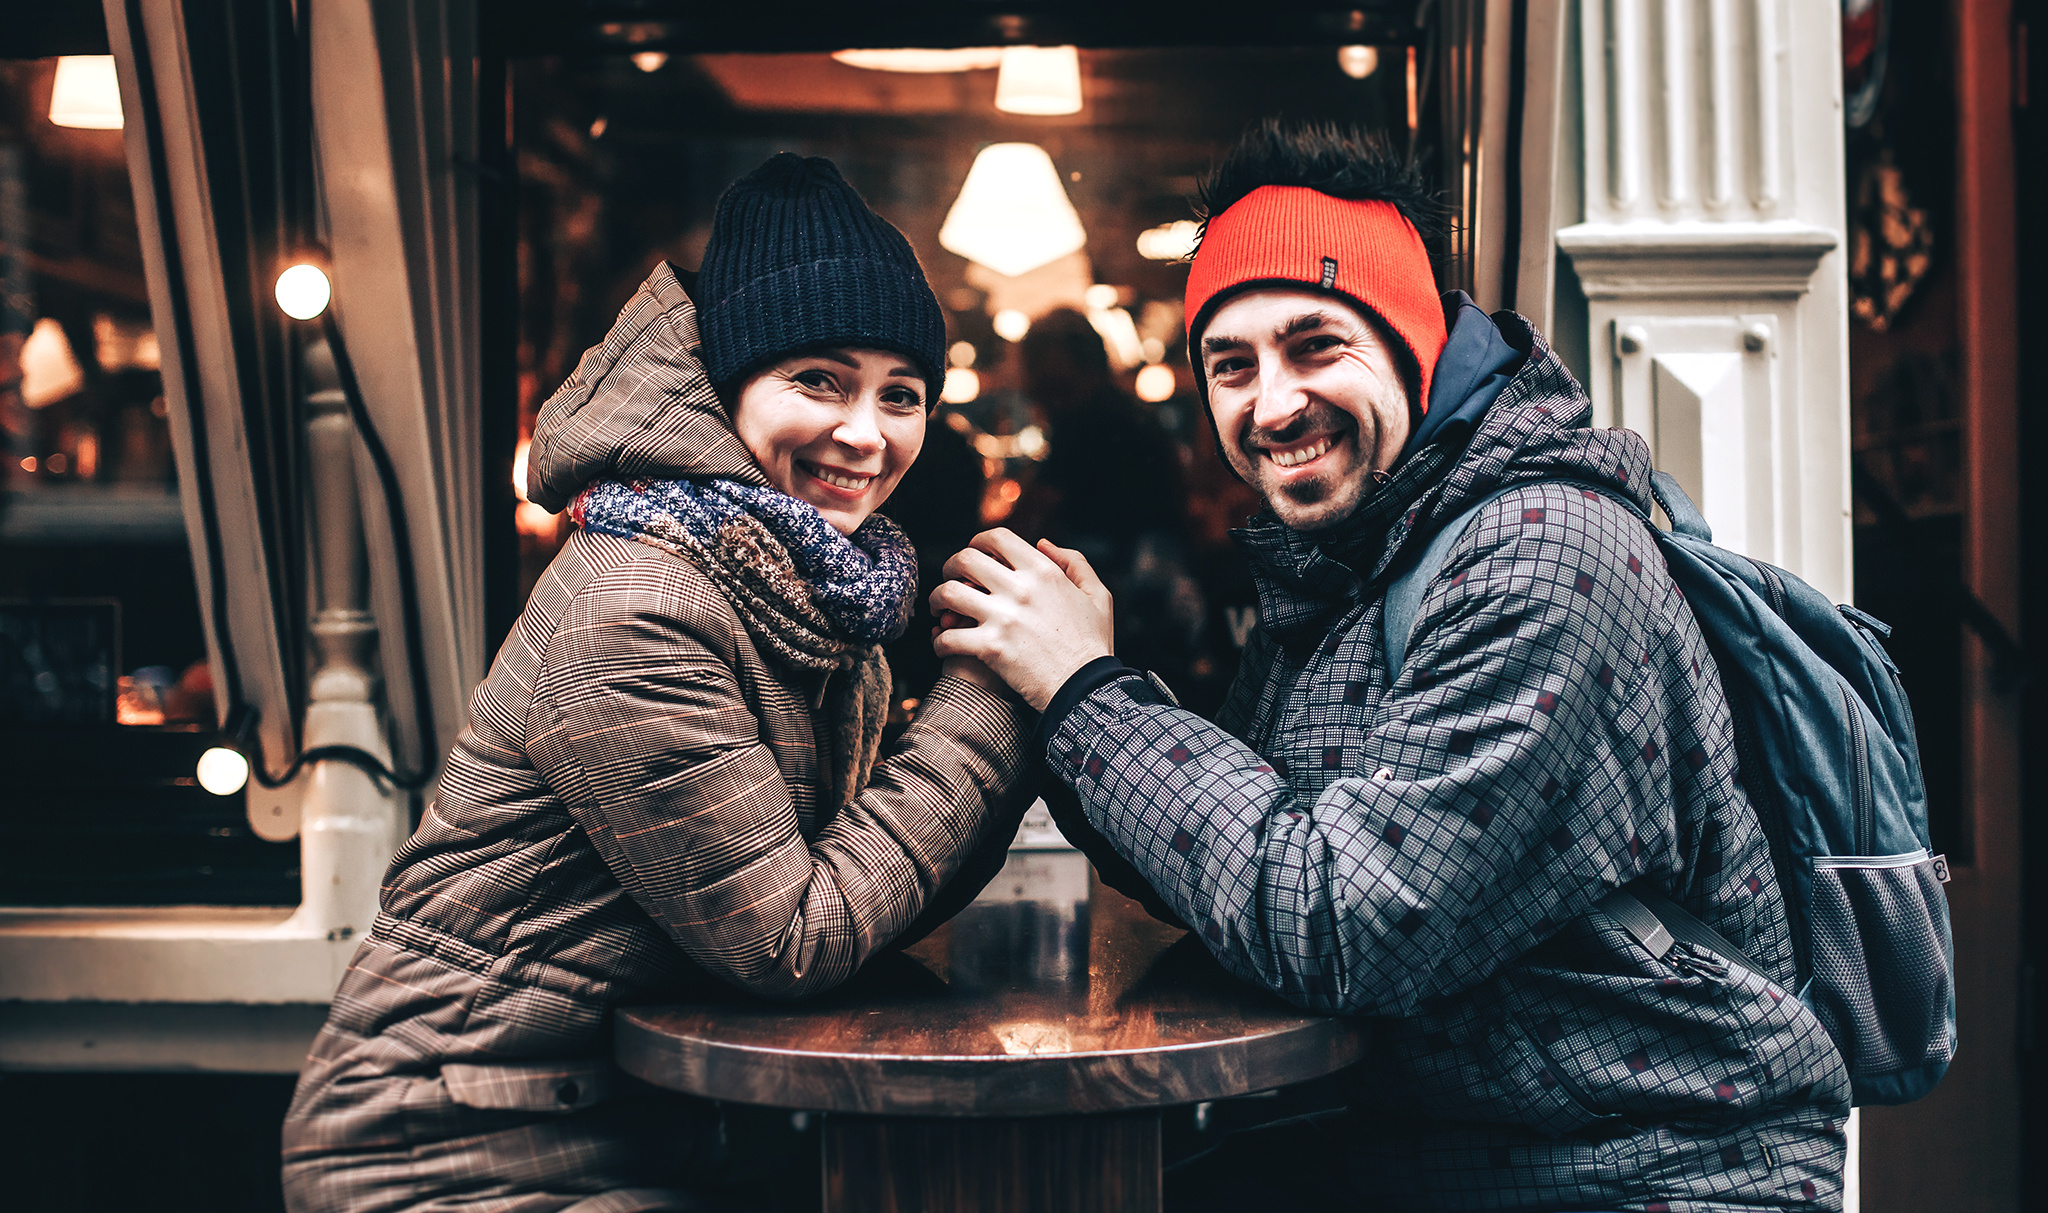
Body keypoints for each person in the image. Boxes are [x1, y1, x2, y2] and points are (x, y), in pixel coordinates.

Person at [932, 122, 1851, 1211]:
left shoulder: (1542, 552)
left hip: (1642, 1168)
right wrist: (1062, 691)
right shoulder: (1352, 557)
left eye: (1315, 344)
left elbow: (1345, 924)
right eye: (1231, 366)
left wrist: (1088, 695)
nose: (1270, 404)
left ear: (1413, 344)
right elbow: (1241, 856)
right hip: (1446, 1147)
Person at [283, 153, 1036, 1213]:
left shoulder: (803, 587)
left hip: (631, 1126)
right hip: (450, 1153)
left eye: (899, 395)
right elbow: (795, 940)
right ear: (727, 391)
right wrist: (995, 691)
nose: (865, 434)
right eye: (817, 380)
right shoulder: (640, 606)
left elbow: (851, 888)